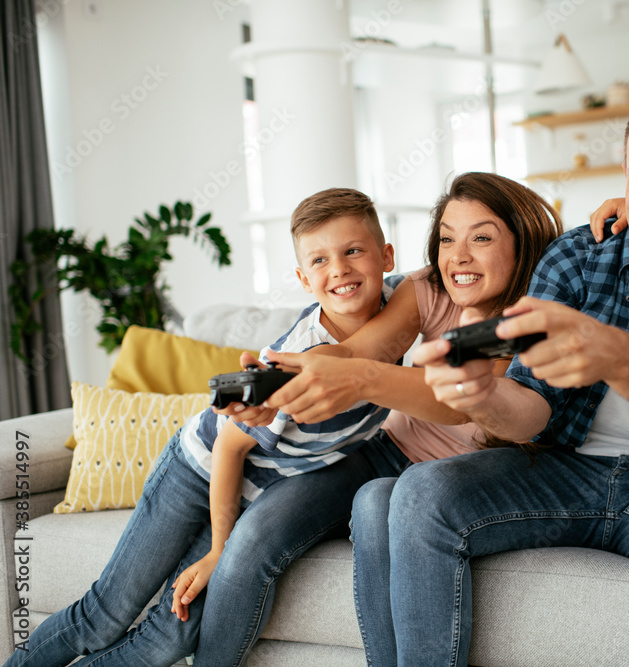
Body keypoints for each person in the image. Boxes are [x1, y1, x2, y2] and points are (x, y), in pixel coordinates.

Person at [398, 86, 629, 666]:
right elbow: (531, 406)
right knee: (419, 495)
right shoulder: (577, 258)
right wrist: (483, 396)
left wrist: (614, 354)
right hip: (562, 467)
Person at [3, 187, 399, 667]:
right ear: (302, 278)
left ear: (386, 256)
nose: (338, 270)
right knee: (105, 614)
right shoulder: (298, 361)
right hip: (197, 474)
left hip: (257, 495)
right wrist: (218, 550)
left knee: (174, 635)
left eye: (352, 251)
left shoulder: (403, 306)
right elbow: (229, 450)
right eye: (319, 260)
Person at [203, 171, 562, 666]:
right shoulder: (428, 289)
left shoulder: (534, 321)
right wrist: (287, 374)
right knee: (256, 537)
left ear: (523, 245)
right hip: (386, 450)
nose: (458, 255)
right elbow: (354, 352)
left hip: (460, 474)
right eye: (446, 239)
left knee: (374, 502)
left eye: (481, 237)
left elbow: (460, 400)